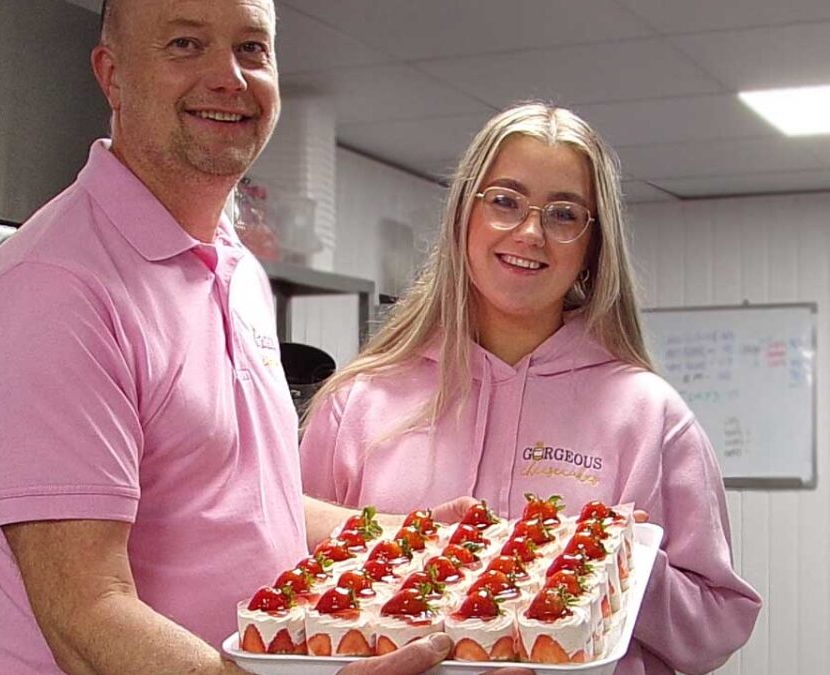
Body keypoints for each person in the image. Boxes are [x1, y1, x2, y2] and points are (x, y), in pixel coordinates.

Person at [0, 0, 532, 672]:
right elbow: (86, 615)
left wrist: (410, 540)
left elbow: (251, 503)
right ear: (113, 75)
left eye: (252, 49)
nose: (230, 77)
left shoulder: (236, 264)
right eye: (186, 44)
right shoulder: (56, 289)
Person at [298, 102, 762, 674]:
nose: (531, 232)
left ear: (593, 246)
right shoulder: (360, 403)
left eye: (564, 214)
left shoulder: (650, 416)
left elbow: (716, 628)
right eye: (504, 201)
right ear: (463, 215)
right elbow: (289, 574)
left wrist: (618, 562)